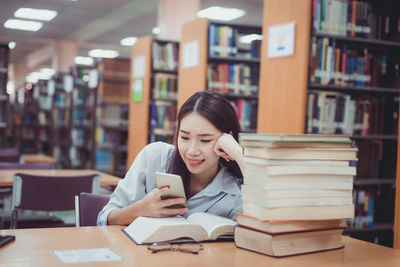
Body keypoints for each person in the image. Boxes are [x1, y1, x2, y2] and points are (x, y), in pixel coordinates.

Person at [97, 91, 244, 225]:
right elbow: (104, 219)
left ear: (226, 141)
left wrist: (238, 153)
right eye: (184, 137)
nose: (192, 151)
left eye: (205, 140)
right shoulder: (154, 157)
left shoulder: (236, 190)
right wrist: (139, 210)